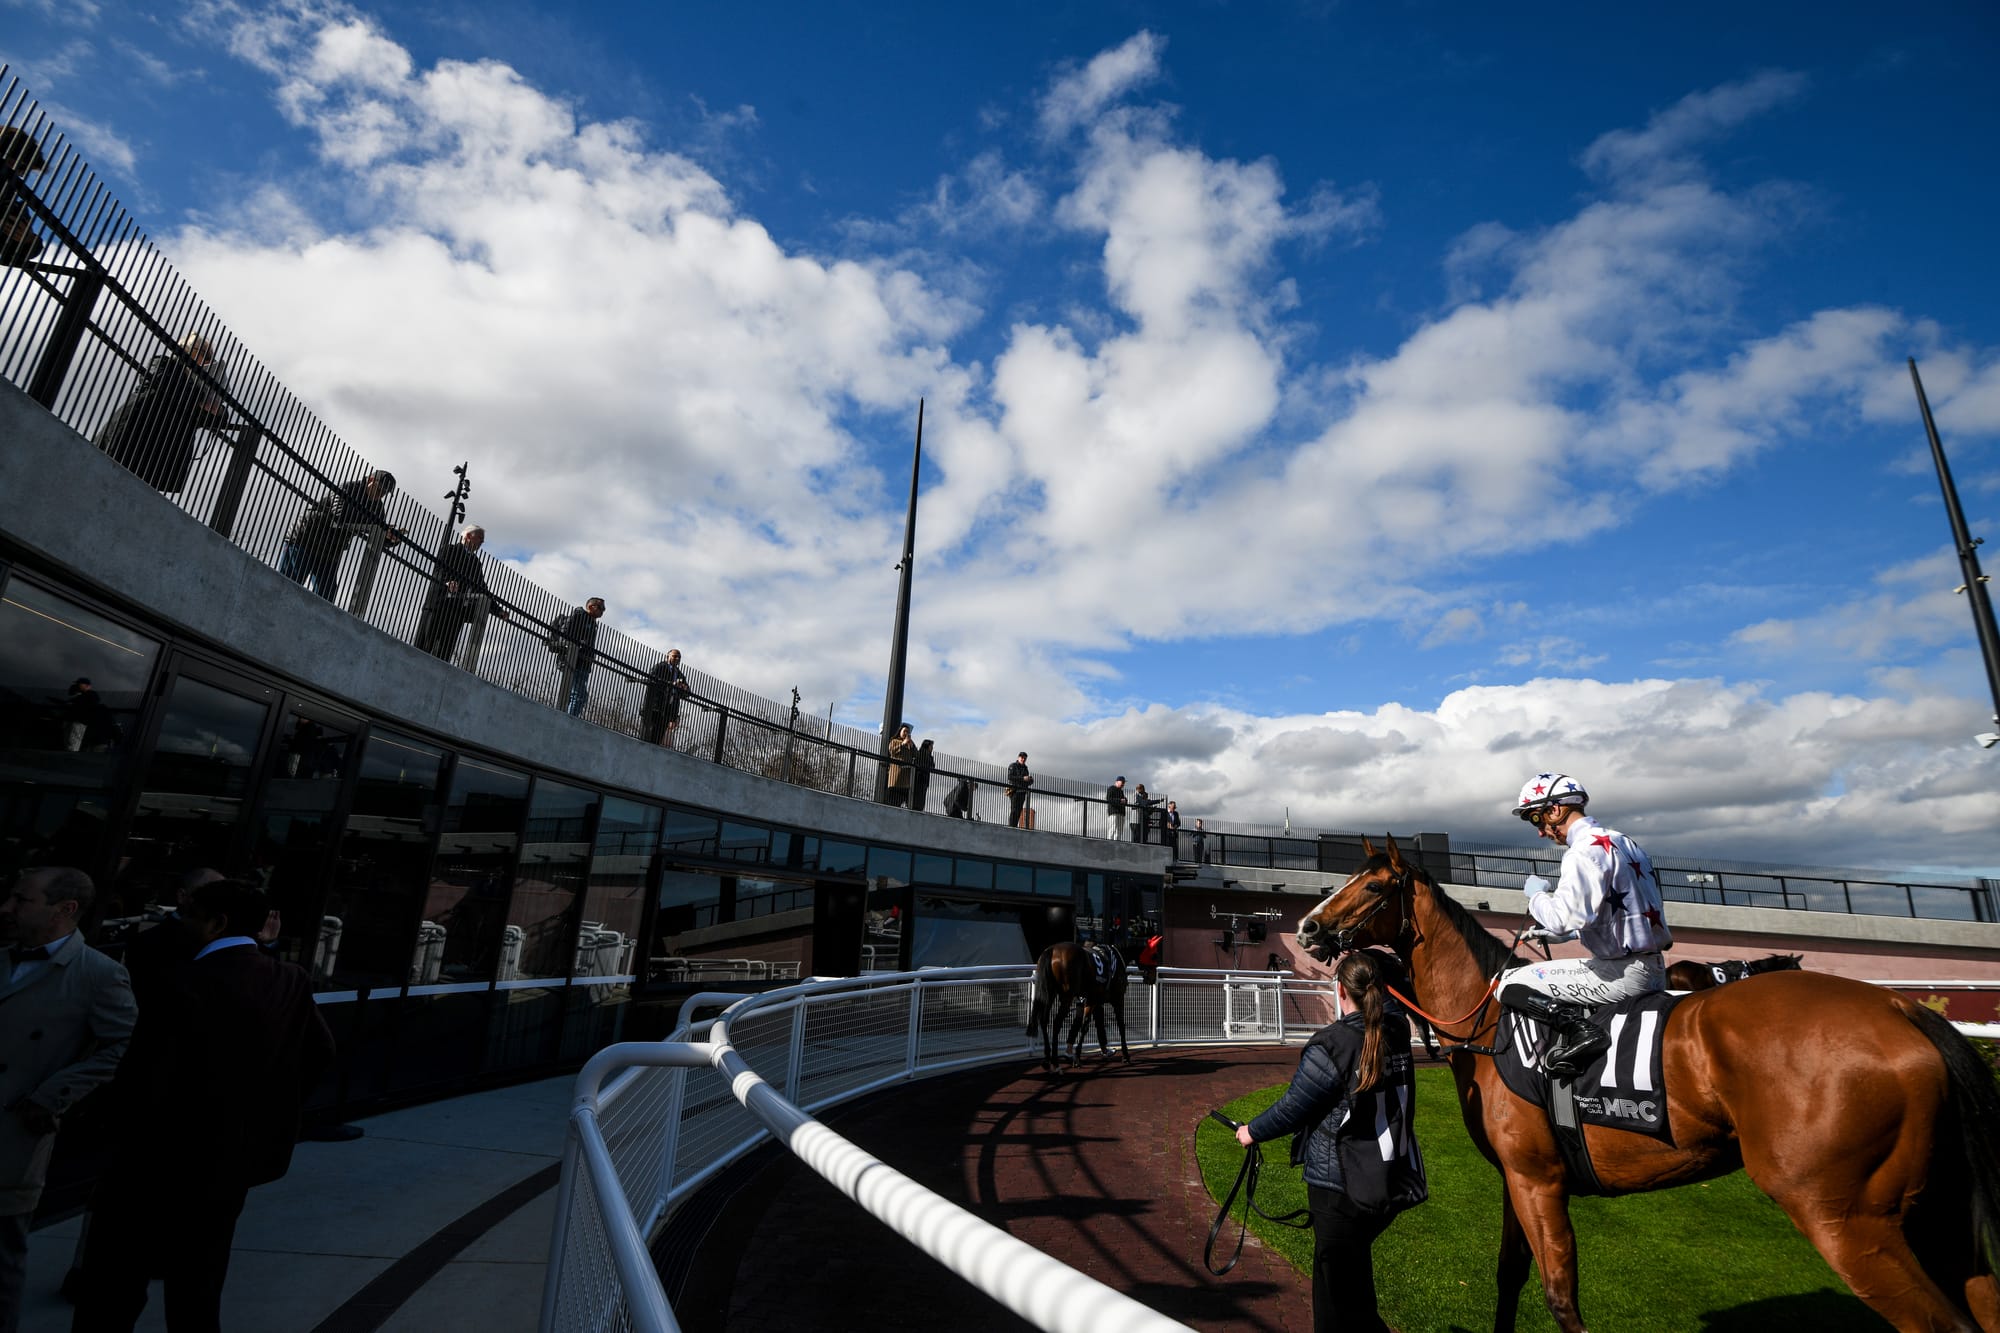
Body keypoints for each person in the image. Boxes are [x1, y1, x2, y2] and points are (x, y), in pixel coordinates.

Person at [72, 879, 334, 1333]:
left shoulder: (181, 980)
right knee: (198, 1286)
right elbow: (319, 1055)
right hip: (230, 1161)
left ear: (216, 923)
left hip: (152, 1160)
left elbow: (145, 1072)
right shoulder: (289, 979)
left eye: (189, 915)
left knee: (114, 1285)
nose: (180, 922)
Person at [1235, 950, 1426, 1333]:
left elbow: (1294, 1108)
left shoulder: (1334, 1044)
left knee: (1343, 1301)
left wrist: (1250, 1131)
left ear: (1340, 990)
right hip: (1388, 1177)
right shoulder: (1397, 1029)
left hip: (1339, 1186)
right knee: (1342, 1282)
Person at [0, 867, 137, 1333]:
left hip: (13, 1131)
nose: (8, 909)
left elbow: (125, 1046)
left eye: (22, 900)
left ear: (65, 910)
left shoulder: (98, 974)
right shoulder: (3, 958)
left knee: (2, 1254)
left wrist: (51, 1095)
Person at [1501, 772, 1673, 1076]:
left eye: (1536, 819)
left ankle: (1583, 1032)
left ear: (1555, 810)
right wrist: (1556, 935)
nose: (1541, 831)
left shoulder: (1580, 852)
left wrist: (1537, 896)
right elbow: (1607, 915)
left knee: (1510, 982)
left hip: (1620, 974)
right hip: (1654, 967)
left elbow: (1559, 919)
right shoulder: (1624, 841)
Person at [91, 332, 229, 495]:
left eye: (211, 358)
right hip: (134, 435)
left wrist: (218, 409)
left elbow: (219, 420)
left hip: (158, 456)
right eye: (205, 355)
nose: (209, 362)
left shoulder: (198, 390)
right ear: (186, 350)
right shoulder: (164, 364)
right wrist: (201, 398)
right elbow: (166, 382)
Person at [277, 469, 402, 603]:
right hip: (305, 539)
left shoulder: (377, 508)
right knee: (287, 583)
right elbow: (340, 514)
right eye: (379, 490)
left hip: (331, 551)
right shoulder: (348, 488)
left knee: (326, 594)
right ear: (371, 480)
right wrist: (373, 523)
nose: (380, 495)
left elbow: (379, 533)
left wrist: (391, 538)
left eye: (384, 493)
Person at [414, 525, 507, 660]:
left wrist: (497, 610)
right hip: (438, 606)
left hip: (456, 613)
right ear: (468, 536)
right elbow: (438, 570)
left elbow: (482, 588)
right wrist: (447, 582)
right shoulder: (449, 549)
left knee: (443, 656)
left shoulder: (475, 562)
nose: (482, 542)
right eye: (480, 538)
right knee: (422, 649)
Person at [1, 125, 49, 268]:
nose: (21, 174)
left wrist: (28, 241)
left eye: (25, 170)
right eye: (22, 167)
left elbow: (11, 258)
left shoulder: (10, 202)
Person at [552, 597, 605, 717]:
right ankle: (570, 719)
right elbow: (567, 636)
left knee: (577, 695)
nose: (603, 611)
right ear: (591, 607)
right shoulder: (580, 616)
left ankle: (566, 716)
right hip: (575, 660)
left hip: (583, 662)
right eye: (601, 608)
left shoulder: (592, 623)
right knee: (578, 695)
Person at [640, 649, 691, 745]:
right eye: (674, 656)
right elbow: (652, 680)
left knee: (657, 740)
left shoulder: (679, 674)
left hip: (668, 712)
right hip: (654, 708)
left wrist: (684, 689)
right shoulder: (660, 667)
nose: (677, 658)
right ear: (668, 657)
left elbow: (687, 693)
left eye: (679, 657)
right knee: (645, 738)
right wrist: (671, 684)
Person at [61, 678, 120, 752]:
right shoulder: (86, 703)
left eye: (79, 684)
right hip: (92, 742)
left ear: (87, 686)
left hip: (93, 742)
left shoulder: (88, 703)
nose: (77, 686)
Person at [885, 725, 916, 808]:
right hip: (895, 777)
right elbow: (892, 751)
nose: (906, 733)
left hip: (906, 779)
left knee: (906, 802)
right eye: (904, 731)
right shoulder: (894, 741)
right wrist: (903, 744)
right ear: (900, 731)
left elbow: (916, 755)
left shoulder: (910, 744)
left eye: (908, 732)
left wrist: (912, 746)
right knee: (893, 802)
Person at [1005, 752, 1033, 828]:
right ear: (1018, 757)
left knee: (1018, 811)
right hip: (1014, 791)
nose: (1023, 759)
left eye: (1025, 758)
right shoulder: (1013, 766)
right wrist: (1023, 778)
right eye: (1022, 757)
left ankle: (1014, 826)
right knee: (1014, 810)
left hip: (1022, 792)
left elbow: (1026, 781)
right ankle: (1011, 826)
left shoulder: (1025, 768)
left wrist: (1029, 780)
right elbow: (1010, 777)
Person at [910, 740, 935, 812]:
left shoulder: (921, 753)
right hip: (921, 778)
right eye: (931, 746)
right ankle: (918, 808)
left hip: (919, 778)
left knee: (918, 796)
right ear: (927, 746)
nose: (932, 748)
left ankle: (916, 807)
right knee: (920, 797)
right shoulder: (926, 755)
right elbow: (932, 766)